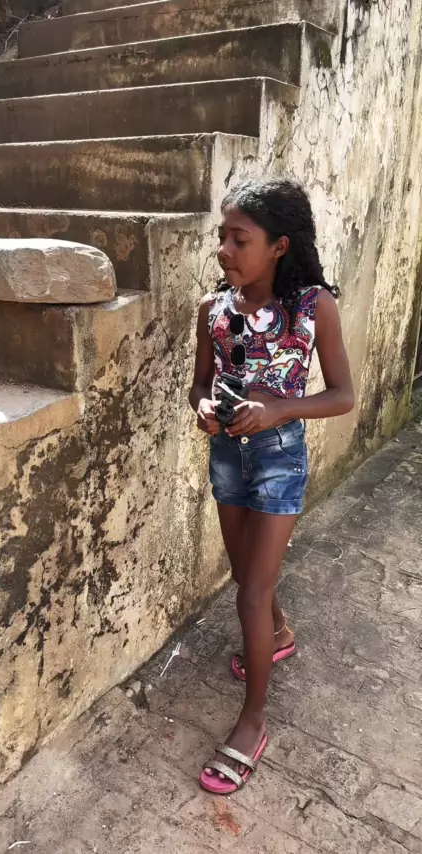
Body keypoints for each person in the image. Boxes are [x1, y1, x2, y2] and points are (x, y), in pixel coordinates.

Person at [189, 178, 354, 795]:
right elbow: (199, 383)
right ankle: (278, 636)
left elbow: (342, 395)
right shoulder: (213, 310)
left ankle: (253, 722)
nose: (224, 250)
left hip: (279, 458)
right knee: (244, 576)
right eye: (222, 238)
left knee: (251, 594)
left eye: (240, 239)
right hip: (227, 457)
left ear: (279, 245)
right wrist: (205, 408)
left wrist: (279, 409)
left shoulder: (313, 306)